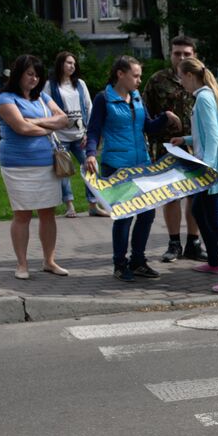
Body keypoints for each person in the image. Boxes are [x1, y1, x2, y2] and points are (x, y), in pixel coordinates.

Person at [84, 55, 179, 282]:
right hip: (116, 166)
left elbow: (147, 126)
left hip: (142, 164)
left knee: (147, 214)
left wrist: (165, 117)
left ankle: (138, 261)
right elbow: (94, 130)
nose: (139, 80)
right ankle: (120, 264)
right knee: (124, 217)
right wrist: (90, 154)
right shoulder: (103, 99)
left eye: (140, 75)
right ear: (120, 74)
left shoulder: (136, 97)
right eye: (135, 75)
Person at [172, 58, 218, 293]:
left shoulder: (204, 98)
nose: (180, 81)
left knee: (216, 220)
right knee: (198, 211)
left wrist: (207, 170)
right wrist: (185, 140)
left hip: (210, 172)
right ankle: (215, 262)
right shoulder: (206, 96)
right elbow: (205, 135)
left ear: (190, 76)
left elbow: (213, 138)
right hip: (210, 169)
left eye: (181, 76)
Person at [0, 54, 69, 279]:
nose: (34, 79)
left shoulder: (42, 98)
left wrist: (33, 122)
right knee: (22, 214)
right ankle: (22, 264)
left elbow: (64, 119)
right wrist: (48, 128)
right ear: (18, 74)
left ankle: (49, 261)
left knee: (48, 213)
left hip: (46, 163)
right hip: (18, 165)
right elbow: (20, 128)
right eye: (29, 74)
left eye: (37, 75)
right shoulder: (4, 98)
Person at [145, 35, 205, 262]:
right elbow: (145, 116)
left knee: (196, 197)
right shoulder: (157, 80)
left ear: (194, 55)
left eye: (186, 54)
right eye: (177, 53)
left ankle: (193, 242)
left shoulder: (203, 80)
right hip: (167, 149)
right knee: (171, 197)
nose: (181, 57)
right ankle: (173, 244)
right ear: (170, 54)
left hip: (196, 149)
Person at [43, 50, 101, 218]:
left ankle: (93, 204)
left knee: (91, 167)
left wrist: (88, 132)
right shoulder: (51, 85)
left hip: (80, 136)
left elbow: (89, 107)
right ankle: (69, 205)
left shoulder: (80, 84)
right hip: (60, 137)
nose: (72, 66)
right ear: (60, 64)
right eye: (68, 63)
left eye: (74, 64)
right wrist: (52, 132)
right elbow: (47, 109)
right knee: (64, 171)